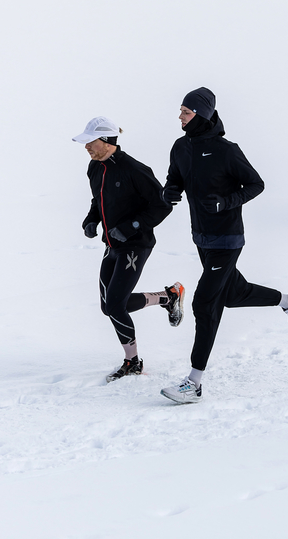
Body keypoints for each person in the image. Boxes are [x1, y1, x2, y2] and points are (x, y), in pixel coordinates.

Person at [159, 88, 288, 404]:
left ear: (202, 115)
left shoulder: (227, 151)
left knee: (204, 304)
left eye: (186, 112)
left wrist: (225, 202)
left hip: (227, 239)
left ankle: (193, 383)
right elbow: (175, 178)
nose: (180, 117)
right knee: (233, 294)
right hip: (201, 237)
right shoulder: (181, 147)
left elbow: (256, 184)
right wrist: (168, 192)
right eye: (181, 111)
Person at [72, 116, 185, 383]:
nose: (86, 147)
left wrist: (132, 226)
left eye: (91, 142)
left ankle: (132, 362)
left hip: (136, 244)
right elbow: (97, 199)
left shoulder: (135, 169)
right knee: (108, 306)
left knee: (115, 305)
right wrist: (92, 219)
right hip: (112, 245)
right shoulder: (94, 167)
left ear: (108, 141)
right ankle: (168, 297)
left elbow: (162, 205)